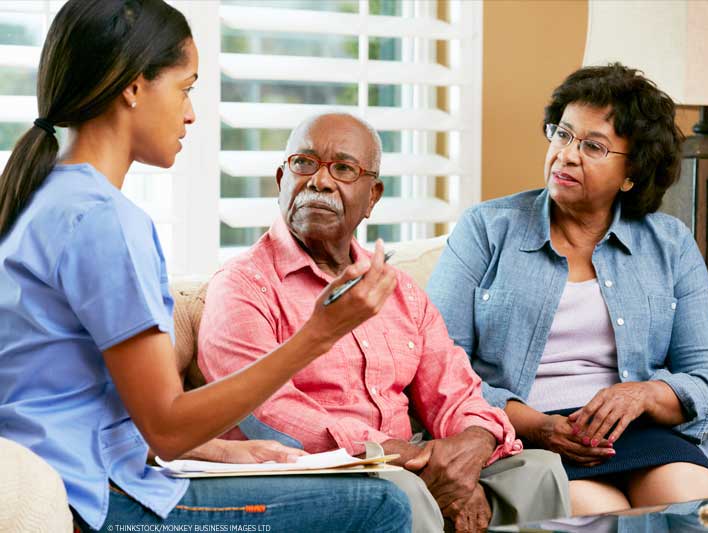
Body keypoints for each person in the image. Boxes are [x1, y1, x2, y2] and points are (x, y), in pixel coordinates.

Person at [0, 1, 412, 532]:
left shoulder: (41, 197)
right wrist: (319, 334)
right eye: (186, 87)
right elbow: (167, 426)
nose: (191, 113)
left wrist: (222, 451)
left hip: (77, 474)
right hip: (97, 502)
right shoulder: (104, 221)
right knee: (380, 505)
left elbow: (92, 410)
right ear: (133, 87)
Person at [197, 112, 571, 532]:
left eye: (343, 168)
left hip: (406, 459)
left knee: (538, 470)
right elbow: (264, 411)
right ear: (280, 179)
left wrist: (472, 443)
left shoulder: (399, 290)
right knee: (400, 492)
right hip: (310, 470)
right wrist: (389, 453)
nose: (320, 181)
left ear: (372, 196)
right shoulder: (244, 285)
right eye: (304, 163)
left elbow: (455, 388)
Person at [426, 63, 708, 516]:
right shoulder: (485, 230)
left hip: (641, 432)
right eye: (562, 135)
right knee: (596, 512)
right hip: (530, 438)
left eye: (593, 146)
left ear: (632, 174)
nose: (566, 155)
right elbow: (438, 368)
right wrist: (536, 425)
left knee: (695, 504)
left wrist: (645, 394)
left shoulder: (671, 243)